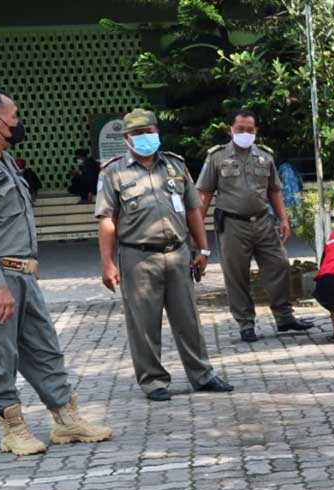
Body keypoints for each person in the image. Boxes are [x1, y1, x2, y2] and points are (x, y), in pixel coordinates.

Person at [0, 87, 113, 456]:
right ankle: (13, 428)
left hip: (21, 274)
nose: (19, 122)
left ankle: (66, 419)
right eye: (15, 116)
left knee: (44, 348)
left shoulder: (3, 161)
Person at [95, 109, 235, 402]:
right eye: (138, 134)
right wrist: (107, 262)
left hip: (178, 253)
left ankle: (202, 375)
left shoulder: (175, 165)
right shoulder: (113, 172)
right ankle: (153, 380)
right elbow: (107, 219)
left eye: (149, 131)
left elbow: (193, 209)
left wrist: (203, 248)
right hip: (137, 257)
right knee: (144, 323)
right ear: (126, 138)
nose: (145, 137)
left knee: (189, 319)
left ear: (157, 132)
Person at [197, 109, 313, 342]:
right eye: (240, 129)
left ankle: (284, 317)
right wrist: (197, 232)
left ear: (256, 131)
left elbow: (274, 190)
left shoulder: (265, 156)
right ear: (230, 130)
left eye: (249, 130)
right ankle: (246, 323)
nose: (245, 133)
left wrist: (283, 219)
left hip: (263, 221)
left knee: (279, 265)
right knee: (236, 275)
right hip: (232, 224)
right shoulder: (217, 157)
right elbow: (204, 194)